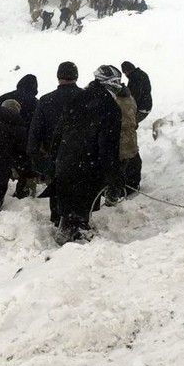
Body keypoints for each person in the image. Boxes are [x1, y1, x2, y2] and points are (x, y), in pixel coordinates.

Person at [48, 65, 123, 243]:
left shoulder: (78, 98)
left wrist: (55, 157)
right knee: (83, 202)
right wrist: (113, 176)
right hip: (89, 162)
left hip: (65, 157)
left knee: (68, 198)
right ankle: (76, 234)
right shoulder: (110, 108)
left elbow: (59, 131)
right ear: (111, 85)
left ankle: (66, 228)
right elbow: (108, 146)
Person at [27, 62, 82, 224]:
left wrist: (34, 154)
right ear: (76, 76)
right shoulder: (86, 98)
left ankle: (58, 219)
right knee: (78, 187)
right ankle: (77, 220)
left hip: (54, 155)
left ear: (58, 77)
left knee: (57, 186)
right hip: (81, 153)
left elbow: (35, 131)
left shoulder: (45, 100)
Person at [0, 74, 39, 198]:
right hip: (22, 146)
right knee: (28, 163)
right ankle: (24, 190)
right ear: (35, 89)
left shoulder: (3, 98)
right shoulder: (35, 103)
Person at [108, 82, 141, 202]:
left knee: (118, 170)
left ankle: (118, 193)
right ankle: (132, 190)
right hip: (131, 141)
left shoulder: (112, 101)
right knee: (133, 165)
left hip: (118, 143)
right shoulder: (130, 99)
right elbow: (134, 120)